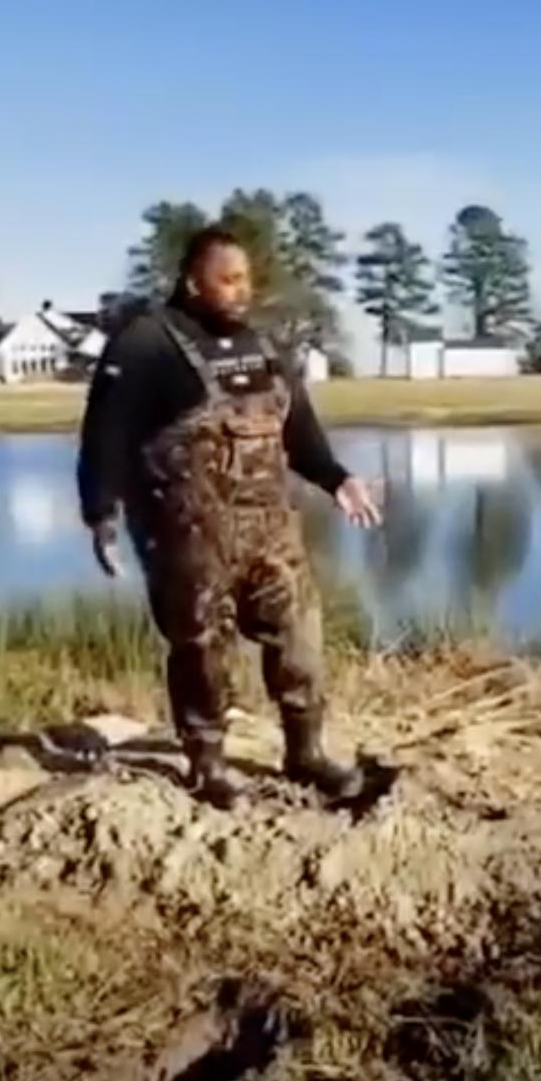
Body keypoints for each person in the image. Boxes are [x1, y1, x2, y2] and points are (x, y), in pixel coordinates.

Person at [76, 226, 385, 808]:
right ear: (194, 281)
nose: (244, 291)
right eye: (230, 279)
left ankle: (306, 752)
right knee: (200, 646)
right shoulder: (145, 342)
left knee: (300, 640)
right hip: (188, 534)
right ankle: (208, 762)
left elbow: (298, 427)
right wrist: (101, 513)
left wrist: (336, 479)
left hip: (272, 529)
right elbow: (105, 432)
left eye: (247, 279)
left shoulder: (261, 346)